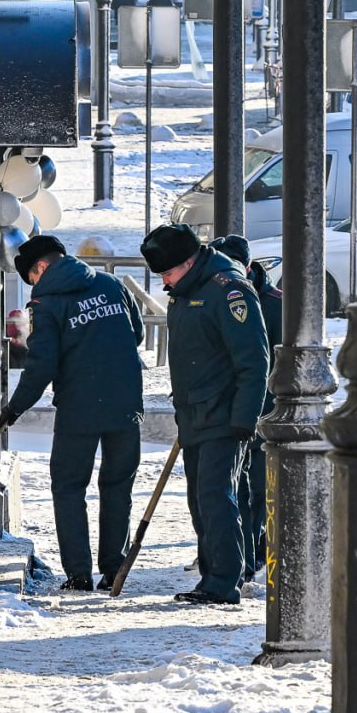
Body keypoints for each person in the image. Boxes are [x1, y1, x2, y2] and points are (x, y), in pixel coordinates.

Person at [0, 235, 145, 592]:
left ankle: (79, 574)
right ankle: (114, 567)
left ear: (42, 267)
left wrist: (15, 407)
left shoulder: (46, 303)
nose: (33, 284)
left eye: (31, 277)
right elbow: (136, 334)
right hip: (126, 401)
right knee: (117, 485)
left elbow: (41, 364)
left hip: (79, 408)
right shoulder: (111, 284)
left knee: (68, 486)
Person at [140, 224, 269, 605]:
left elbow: (253, 361)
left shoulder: (227, 290)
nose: (164, 282)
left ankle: (224, 582)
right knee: (200, 499)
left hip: (225, 416)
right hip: (195, 414)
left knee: (217, 496)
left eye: (168, 272)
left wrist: (244, 420)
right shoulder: (187, 290)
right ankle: (211, 575)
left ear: (189, 261)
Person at [211, 235, 282, 585]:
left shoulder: (275, 303)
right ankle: (242, 557)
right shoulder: (214, 296)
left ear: (249, 268)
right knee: (233, 487)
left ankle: (257, 553)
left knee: (260, 488)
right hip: (229, 409)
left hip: (268, 412)